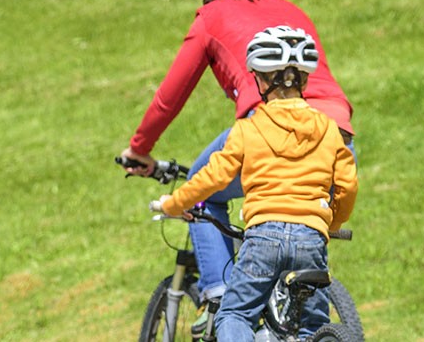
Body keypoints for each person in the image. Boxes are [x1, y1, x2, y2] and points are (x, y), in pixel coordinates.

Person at [120, 0, 357, 324]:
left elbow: (170, 97)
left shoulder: (211, 18)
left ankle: (219, 297)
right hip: (337, 134)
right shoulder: (293, 10)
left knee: (203, 187)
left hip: (268, 128)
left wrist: (139, 149)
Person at [151, 27, 359, 341]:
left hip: (265, 238)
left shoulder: (248, 130)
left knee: (235, 314)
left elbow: (213, 175)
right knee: (312, 328)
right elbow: (347, 184)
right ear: (304, 80)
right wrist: (334, 221)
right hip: (312, 241)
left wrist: (174, 203)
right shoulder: (329, 129)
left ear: (260, 80)